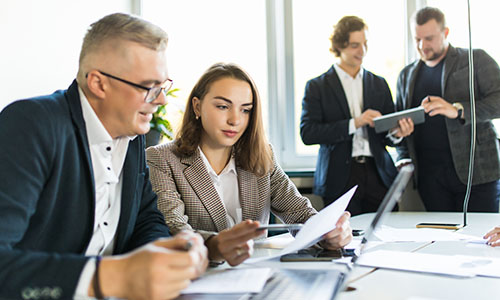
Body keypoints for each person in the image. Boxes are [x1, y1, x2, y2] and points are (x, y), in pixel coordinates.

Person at [0, 13, 208, 300]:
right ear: (98, 83)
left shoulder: (133, 136)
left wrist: (171, 251)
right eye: (149, 87)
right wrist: (111, 277)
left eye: (163, 86)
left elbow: (146, 219)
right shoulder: (31, 124)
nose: (160, 99)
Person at [146, 63, 353, 266]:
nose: (235, 120)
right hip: (197, 279)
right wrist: (216, 246)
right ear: (197, 106)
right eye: (223, 107)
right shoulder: (162, 159)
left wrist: (328, 232)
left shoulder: (262, 155)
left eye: (245, 110)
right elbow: (173, 229)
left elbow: (300, 213)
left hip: (257, 276)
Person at [300, 16, 413, 216]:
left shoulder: (379, 83)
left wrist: (397, 133)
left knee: (388, 234)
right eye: (355, 45)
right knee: (344, 240)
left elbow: (388, 136)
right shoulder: (317, 86)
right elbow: (308, 133)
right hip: (339, 177)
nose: (362, 51)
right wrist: (355, 123)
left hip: (379, 173)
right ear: (339, 46)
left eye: (365, 44)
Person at [395, 7, 500, 212]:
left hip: (478, 173)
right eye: (417, 39)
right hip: (430, 178)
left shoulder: (475, 60)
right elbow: (400, 123)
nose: (422, 46)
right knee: (439, 242)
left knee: (480, 240)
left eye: (429, 38)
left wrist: (458, 110)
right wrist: (400, 144)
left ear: (446, 33)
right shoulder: (406, 75)